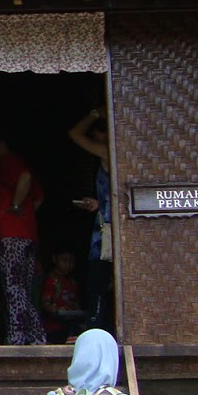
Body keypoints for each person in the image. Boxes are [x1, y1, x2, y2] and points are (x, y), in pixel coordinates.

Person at [0, 134, 45, 345]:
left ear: (1, 142)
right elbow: (38, 198)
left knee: (14, 289)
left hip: (12, 238)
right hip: (27, 235)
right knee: (23, 290)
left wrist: (16, 207)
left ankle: (19, 339)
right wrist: (26, 215)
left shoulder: (8, 162)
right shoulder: (17, 162)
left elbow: (25, 177)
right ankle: (35, 337)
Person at [67, 108, 113, 330]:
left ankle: (98, 327)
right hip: (110, 223)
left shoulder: (108, 151)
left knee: (99, 280)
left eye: (96, 134)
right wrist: (97, 204)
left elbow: (75, 135)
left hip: (108, 231)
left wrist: (95, 113)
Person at [40, 251, 85, 344]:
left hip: (70, 326)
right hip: (53, 327)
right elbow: (45, 303)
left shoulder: (72, 282)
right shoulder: (52, 280)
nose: (68, 265)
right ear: (55, 259)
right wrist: (57, 310)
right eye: (64, 261)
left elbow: (76, 302)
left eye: (71, 262)